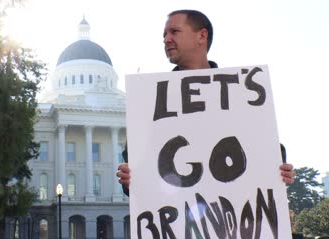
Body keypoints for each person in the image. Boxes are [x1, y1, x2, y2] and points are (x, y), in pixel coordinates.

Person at [116, 9, 296, 196]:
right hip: (178, 218)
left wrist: (281, 172)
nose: (166, 39)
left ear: (202, 36)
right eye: (164, 34)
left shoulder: (242, 92)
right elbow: (137, 169)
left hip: (232, 216)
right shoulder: (149, 99)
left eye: (174, 32)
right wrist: (129, 179)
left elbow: (268, 149)